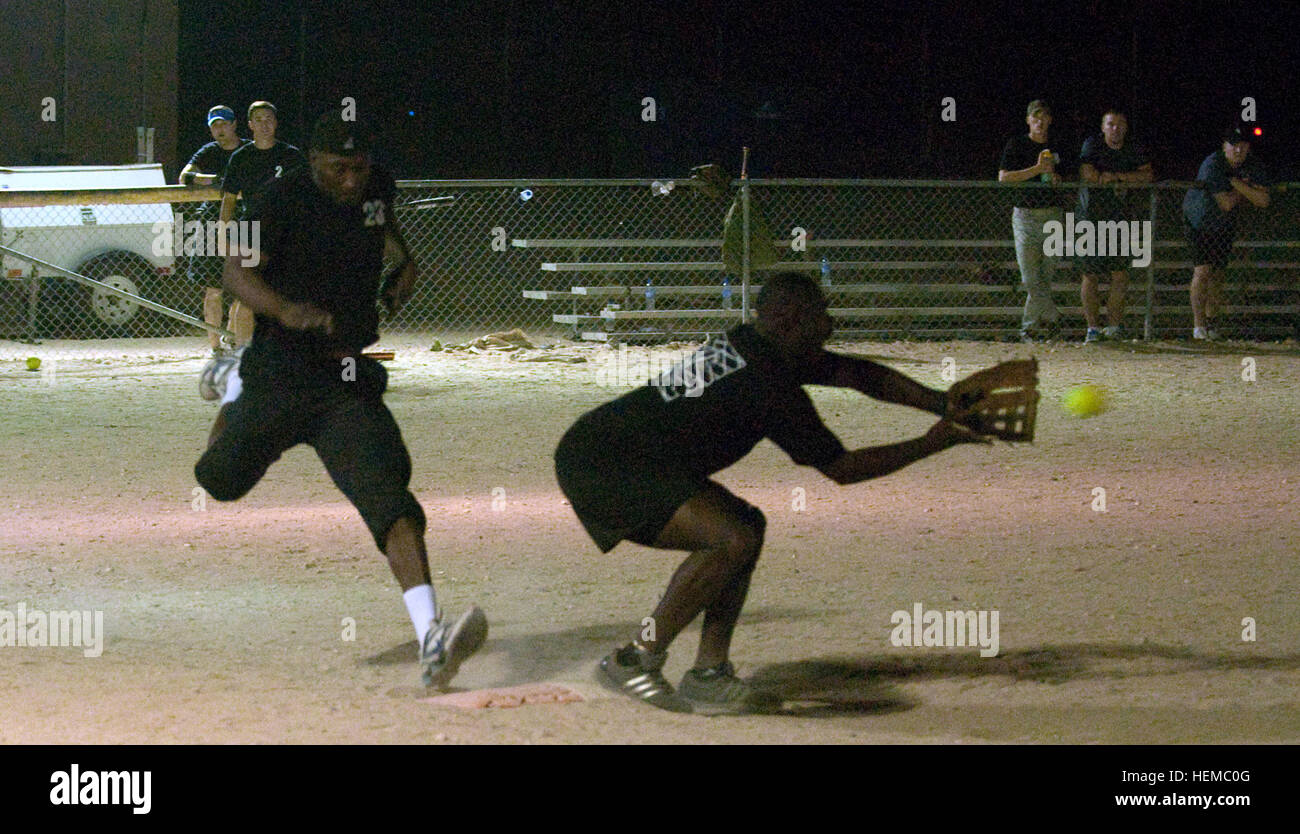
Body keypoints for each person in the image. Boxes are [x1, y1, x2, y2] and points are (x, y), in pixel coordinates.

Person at [554, 272, 991, 715]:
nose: (829, 325)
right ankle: (635, 659)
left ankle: (709, 674)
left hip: (623, 452)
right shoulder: (767, 385)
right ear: (787, 320)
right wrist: (934, 442)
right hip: (606, 465)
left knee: (745, 528)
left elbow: (856, 373)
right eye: (820, 314)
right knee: (731, 538)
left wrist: (941, 403)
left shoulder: (755, 345)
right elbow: (842, 468)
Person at [194, 110, 487, 688]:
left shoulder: (377, 188)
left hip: (344, 377)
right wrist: (284, 309)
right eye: (338, 169)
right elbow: (233, 273)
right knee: (219, 480)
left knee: (391, 503)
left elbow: (389, 234)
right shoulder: (276, 200)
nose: (352, 180)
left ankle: (431, 635)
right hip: (279, 367)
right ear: (313, 162)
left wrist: (406, 265)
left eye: (359, 167)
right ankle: (233, 384)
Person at [216, 101, 307, 348]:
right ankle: (242, 351)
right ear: (250, 125)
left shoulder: (292, 156)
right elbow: (229, 198)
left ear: (276, 123)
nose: (264, 124)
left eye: (269, 119)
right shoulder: (241, 157)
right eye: (259, 119)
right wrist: (222, 233)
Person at [1182, 124, 1270, 340]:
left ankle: (1212, 324)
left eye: (1243, 146)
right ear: (1224, 146)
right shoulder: (1213, 163)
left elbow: (1264, 200)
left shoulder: (1253, 164)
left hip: (1223, 224)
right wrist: (1244, 187)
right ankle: (1198, 326)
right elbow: (1226, 202)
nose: (1238, 150)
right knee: (1202, 271)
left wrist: (1234, 183)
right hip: (1199, 220)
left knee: (1218, 274)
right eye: (1233, 145)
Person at [1076, 108, 1153, 343]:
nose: (1115, 128)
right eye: (1110, 124)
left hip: (1121, 218)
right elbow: (1087, 171)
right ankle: (1093, 329)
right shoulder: (1093, 145)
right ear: (1102, 127)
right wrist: (1104, 178)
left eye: (1119, 124)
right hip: (1091, 217)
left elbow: (1148, 175)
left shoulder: (1133, 148)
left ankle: (1114, 327)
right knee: (1090, 274)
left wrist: (1117, 177)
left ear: (1126, 127)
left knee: (1120, 274)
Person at [178, 105, 250, 357]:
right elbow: (185, 176)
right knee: (213, 289)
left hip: (243, 221)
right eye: (214, 125)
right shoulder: (208, 152)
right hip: (211, 222)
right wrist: (213, 179)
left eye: (223, 124)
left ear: (234, 125)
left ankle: (231, 335)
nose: (219, 129)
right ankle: (216, 347)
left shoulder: (248, 150)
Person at [999, 100, 1065, 342]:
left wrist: (1055, 177)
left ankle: (1031, 328)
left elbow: (1066, 176)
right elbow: (1004, 177)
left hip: (1052, 214)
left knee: (1045, 277)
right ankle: (1053, 318)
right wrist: (1036, 170)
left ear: (1050, 120)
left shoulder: (1057, 145)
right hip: (1025, 216)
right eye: (1035, 118)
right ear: (1028, 120)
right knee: (1029, 278)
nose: (1039, 122)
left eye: (1044, 117)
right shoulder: (1016, 144)